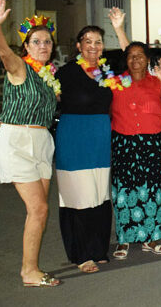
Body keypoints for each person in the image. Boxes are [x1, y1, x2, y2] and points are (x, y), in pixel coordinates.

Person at [0, 0, 61, 287]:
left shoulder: (48, 77)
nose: (43, 45)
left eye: (47, 41)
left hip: (42, 141)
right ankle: (28, 271)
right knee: (39, 208)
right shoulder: (20, 68)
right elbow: (4, 54)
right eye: (37, 42)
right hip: (17, 139)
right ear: (26, 47)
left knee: (40, 209)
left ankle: (31, 267)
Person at [55, 18, 123, 273]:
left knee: (98, 195)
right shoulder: (65, 72)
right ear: (78, 46)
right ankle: (81, 253)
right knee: (78, 195)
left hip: (100, 138)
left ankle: (98, 249)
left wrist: (119, 28)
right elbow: (51, 98)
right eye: (88, 41)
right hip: (73, 137)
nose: (93, 46)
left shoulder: (107, 72)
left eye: (98, 42)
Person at [110, 41, 161, 260]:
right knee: (125, 192)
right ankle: (124, 237)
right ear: (126, 60)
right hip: (123, 143)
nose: (135, 60)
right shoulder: (114, 83)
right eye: (131, 56)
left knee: (151, 190)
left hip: (150, 144)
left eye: (140, 55)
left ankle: (150, 237)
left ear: (147, 59)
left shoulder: (157, 82)